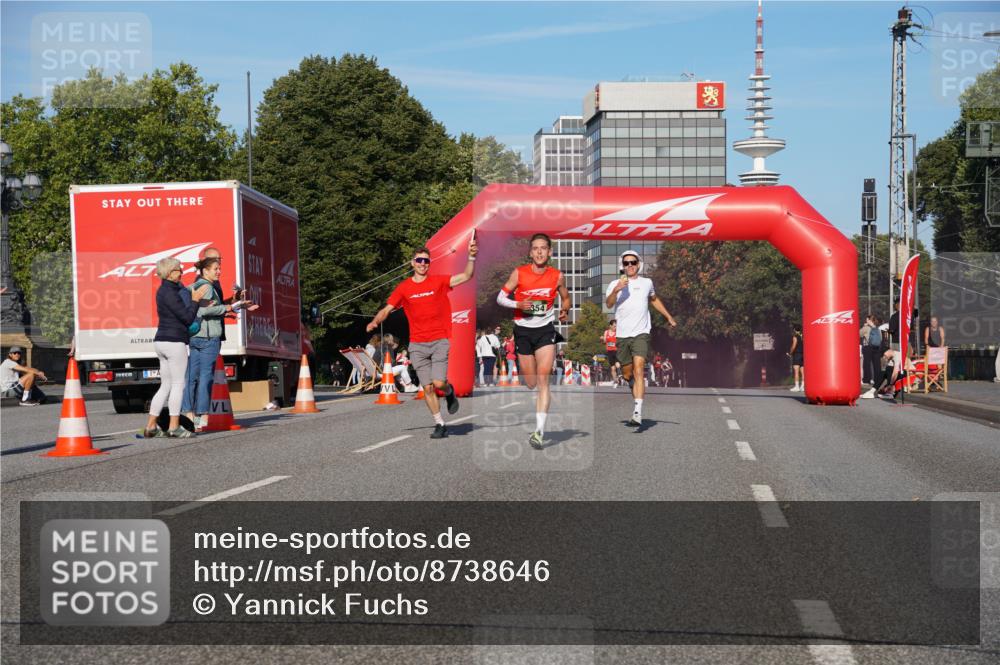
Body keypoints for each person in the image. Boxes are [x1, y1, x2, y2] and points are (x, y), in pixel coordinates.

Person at [367, 236, 477, 438]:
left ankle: (449, 391)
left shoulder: (439, 281)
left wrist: (471, 257)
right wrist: (375, 322)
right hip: (417, 344)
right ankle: (439, 424)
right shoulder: (404, 288)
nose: (422, 264)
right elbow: (387, 309)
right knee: (426, 387)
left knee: (438, 383)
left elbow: (466, 276)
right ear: (412, 263)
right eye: (419, 260)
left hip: (439, 340)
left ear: (429, 263)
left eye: (426, 261)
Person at [496, 233, 570, 449]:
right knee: (531, 382)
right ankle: (534, 388)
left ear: (549, 252)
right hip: (523, 331)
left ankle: (539, 432)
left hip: (546, 331)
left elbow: (565, 297)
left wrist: (565, 309)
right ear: (530, 252)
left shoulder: (557, 276)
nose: (539, 252)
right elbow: (500, 298)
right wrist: (518, 305)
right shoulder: (519, 273)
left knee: (544, 379)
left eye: (543, 248)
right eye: (535, 248)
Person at [606, 250, 677, 427]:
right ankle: (631, 384)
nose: (629, 265)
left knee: (639, 368)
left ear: (638, 264)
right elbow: (608, 304)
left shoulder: (647, 283)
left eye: (633, 262)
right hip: (622, 335)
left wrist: (668, 316)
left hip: (641, 333)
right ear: (622, 266)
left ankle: (637, 412)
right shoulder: (615, 283)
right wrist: (616, 290)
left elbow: (654, 300)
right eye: (626, 263)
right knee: (628, 373)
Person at [142, 258, 211, 438]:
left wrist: (196, 300)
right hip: (174, 342)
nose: (181, 272)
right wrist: (195, 301)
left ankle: (151, 427)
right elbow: (187, 318)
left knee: (165, 385)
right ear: (170, 272)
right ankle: (174, 427)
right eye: (178, 270)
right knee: (178, 385)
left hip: (161, 341)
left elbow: (182, 308)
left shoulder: (166, 290)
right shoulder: (169, 292)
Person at [182, 257, 236, 431]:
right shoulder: (207, 287)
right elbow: (203, 310)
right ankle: (202, 415)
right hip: (207, 338)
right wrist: (226, 308)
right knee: (206, 377)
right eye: (215, 269)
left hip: (195, 336)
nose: (219, 271)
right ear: (205, 271)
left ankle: (187, 414)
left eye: (219, 268)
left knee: (191, 378)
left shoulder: (194, 286)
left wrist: (229, 306)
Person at [602, 319, 620, 386]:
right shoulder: (606, 332)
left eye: (616, 326)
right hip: (609, 351)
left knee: (617, 364)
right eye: (614, 326)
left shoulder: (618, 332)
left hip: (616, 350)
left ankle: (620, 374)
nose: (615, 328)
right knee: (612, 368)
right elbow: (604, 341)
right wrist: (603, 339)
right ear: (610, 326)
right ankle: (616, 380)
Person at [787, 326, 804, 392]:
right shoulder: (803, 336)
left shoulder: (795, 337)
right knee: (803, 372)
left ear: (794, 330)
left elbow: (794, 345)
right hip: (803, 354)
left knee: (796, 371)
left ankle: (797, 386)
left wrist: (790, 353)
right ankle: (803, 386)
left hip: (797, 355)